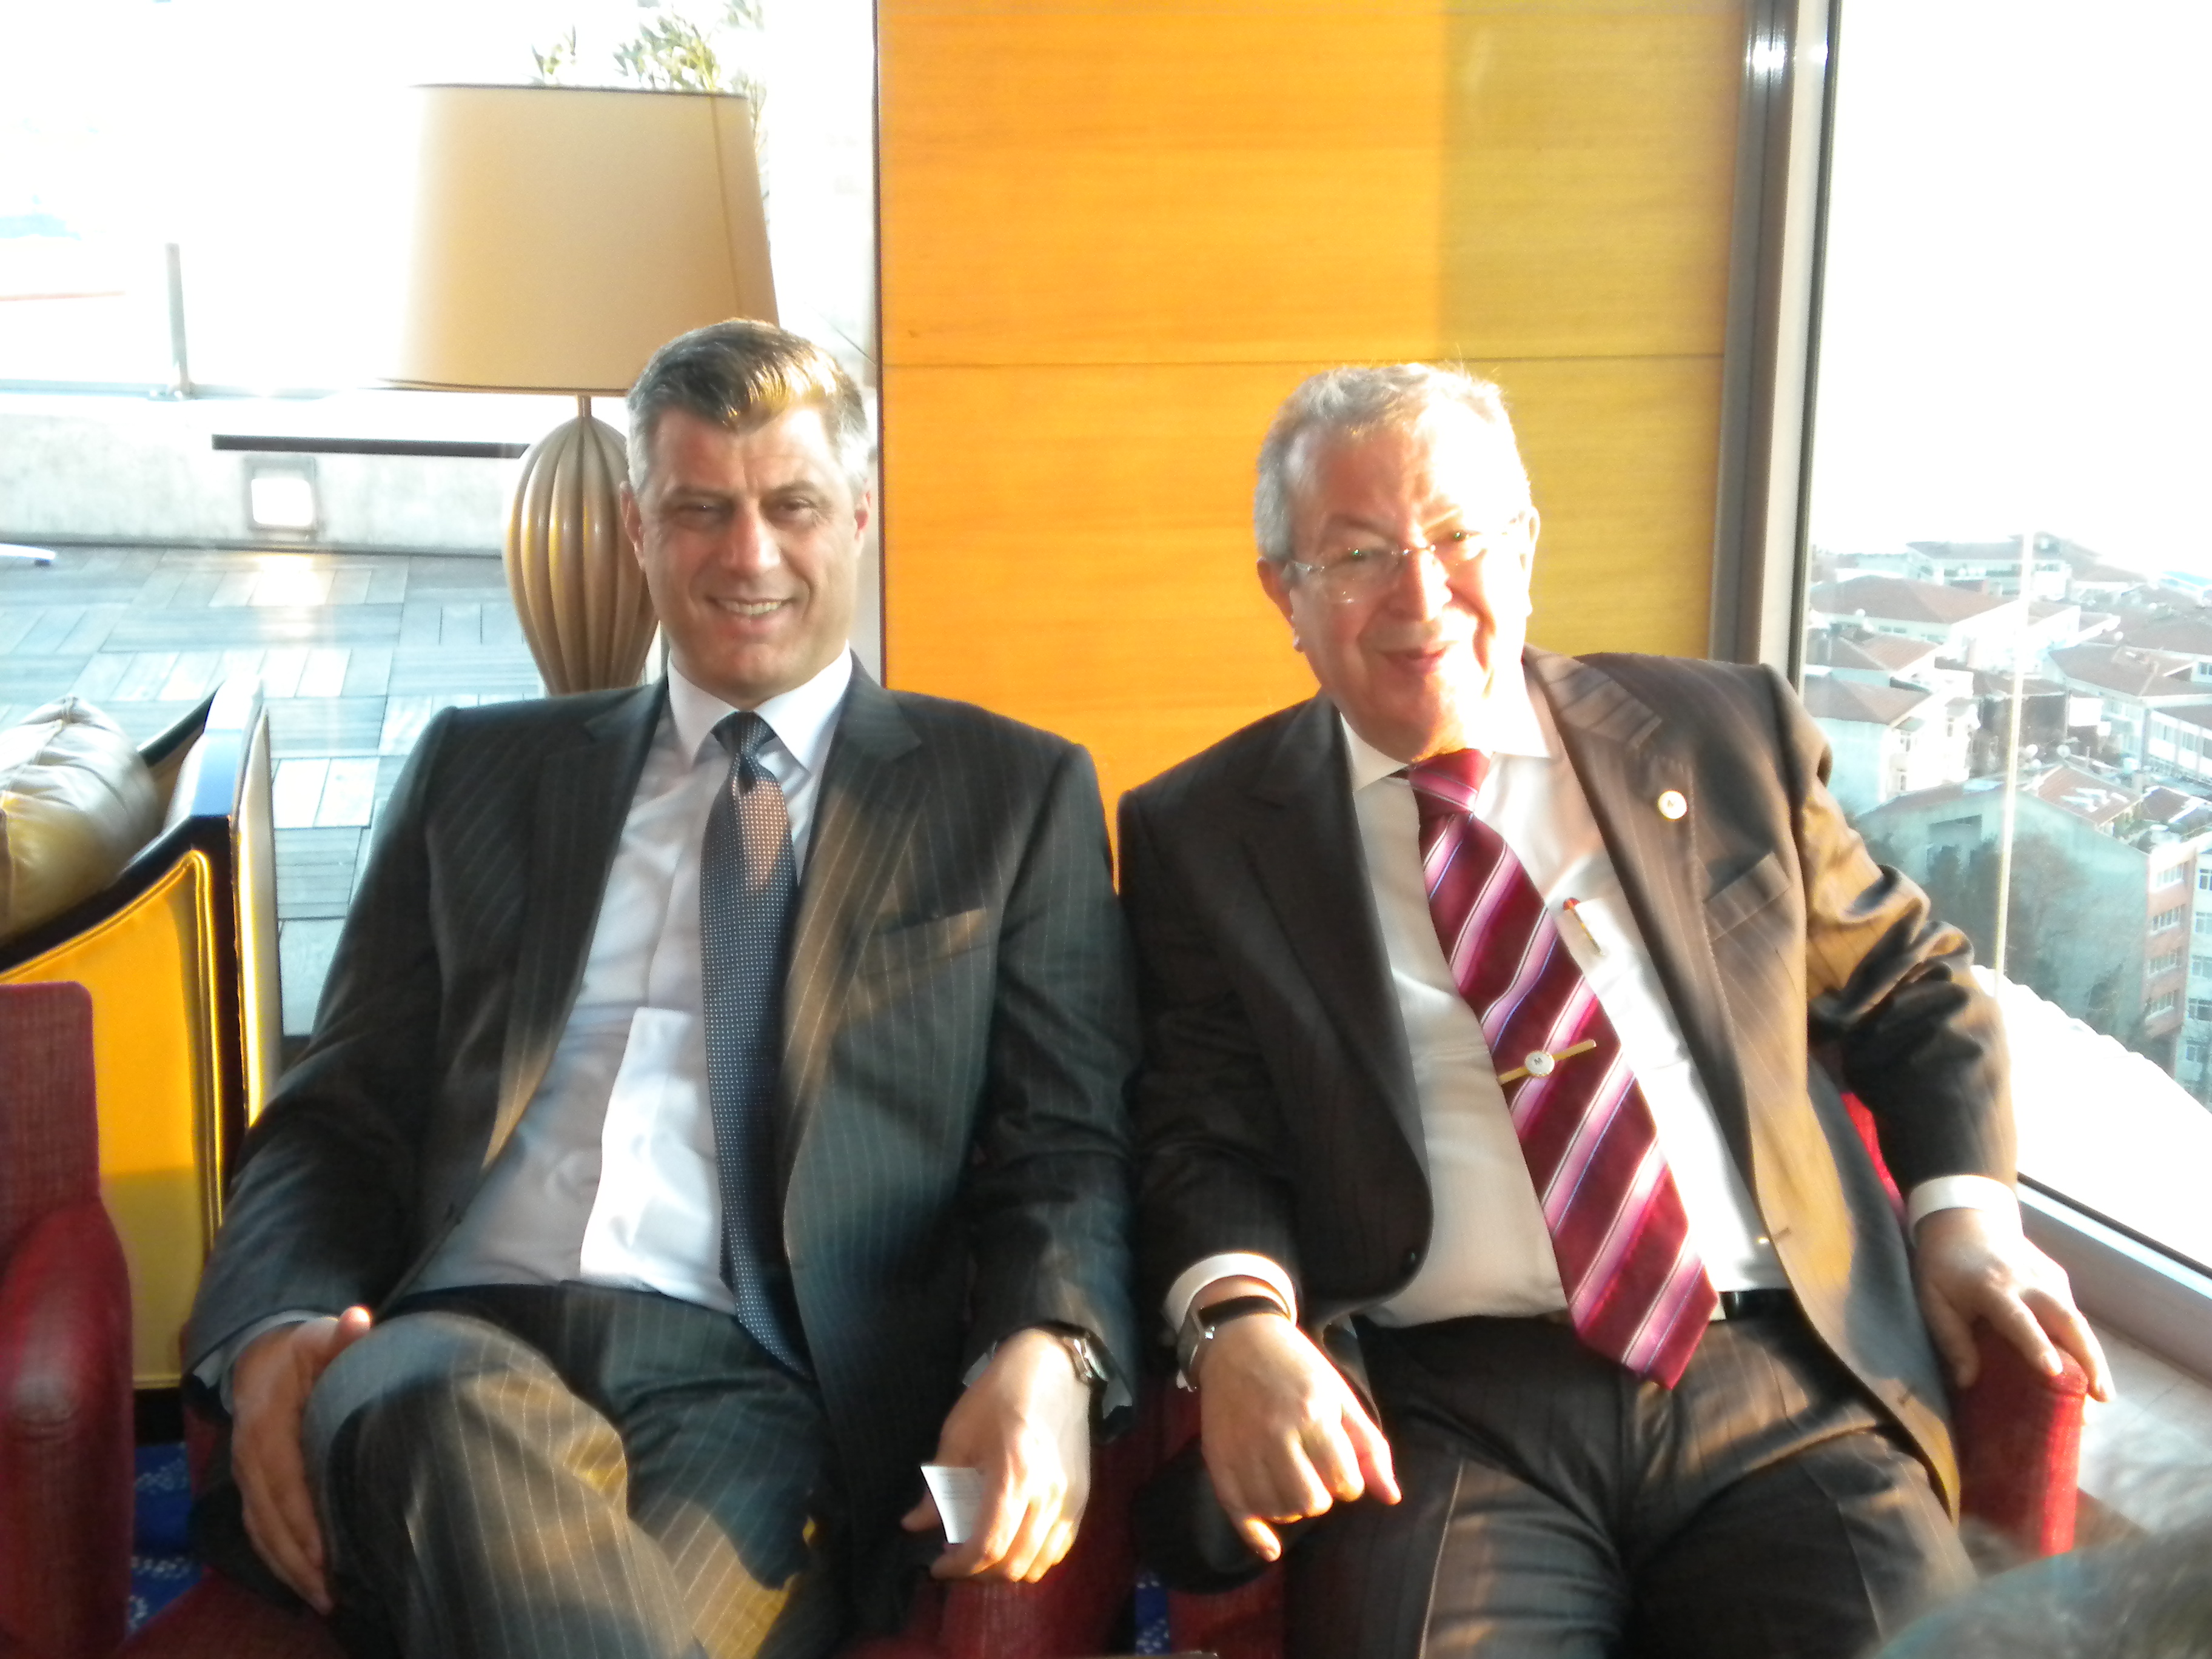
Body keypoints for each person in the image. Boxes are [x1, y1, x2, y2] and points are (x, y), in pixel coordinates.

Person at [1118, 361, 2112, 1659]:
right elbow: (1203, 1132)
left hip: (1781, 1381)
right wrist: (1239, 1322)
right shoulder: (1204, 831)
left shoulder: (1718, 733)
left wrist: (1967, 1220)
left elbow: (1914, 987)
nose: (1421, 595)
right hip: (1449, 1410)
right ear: (1283, 594)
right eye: (1356, 555)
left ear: (1525, 545)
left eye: (1460, 536)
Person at [184, 320, 1139, 1659]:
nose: (749, 556)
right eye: (700, 511)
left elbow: (1067, 1142)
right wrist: (272, 1332)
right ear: (638, 529)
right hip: (453, 1342)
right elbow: (336, 1110)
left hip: (758, 1391)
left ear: (859, 517)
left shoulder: (1010, 797)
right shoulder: (479, 771)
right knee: (445, 1418)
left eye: (792, 506)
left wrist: (1052, 1344)